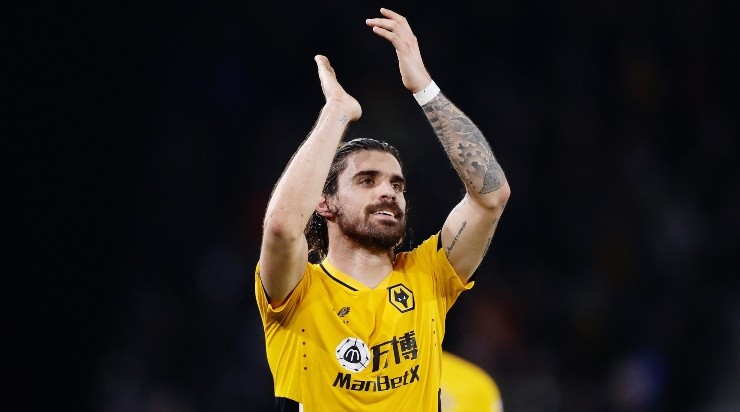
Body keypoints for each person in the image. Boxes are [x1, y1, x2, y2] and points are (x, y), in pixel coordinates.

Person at [255, 7, 510, 411]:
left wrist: (423, 87)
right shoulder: (298, 289)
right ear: (325, 203)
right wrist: (336, 114)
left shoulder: (429, 276)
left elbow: (491, 196)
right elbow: (283, 228)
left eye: (396, 184)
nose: (388, 192)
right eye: (366, 180)